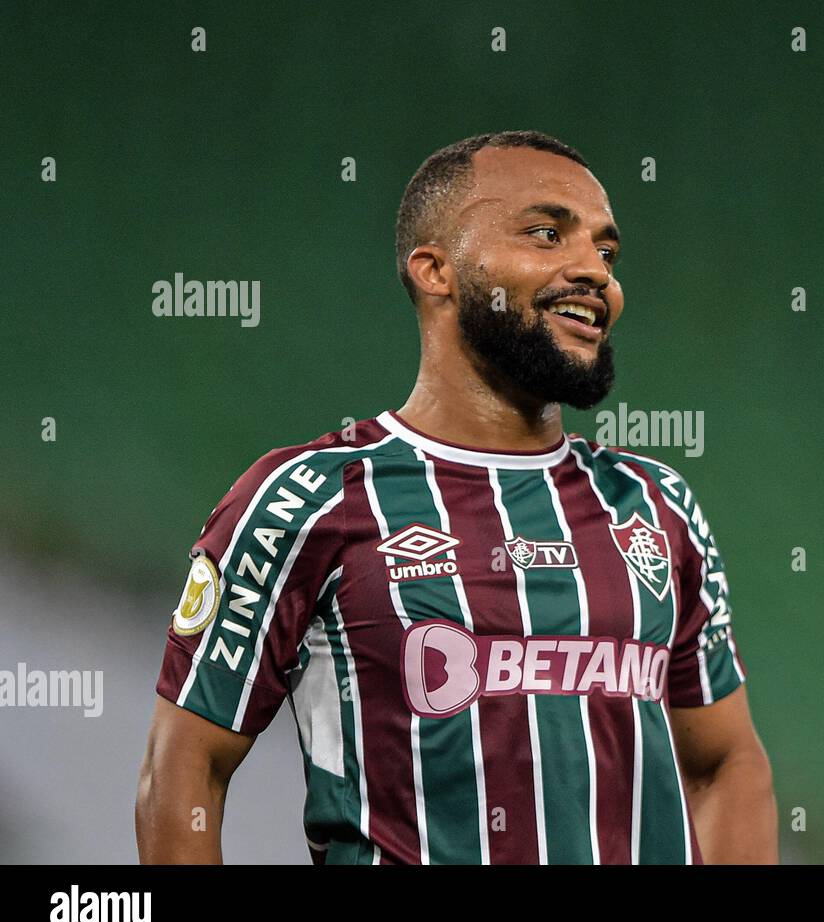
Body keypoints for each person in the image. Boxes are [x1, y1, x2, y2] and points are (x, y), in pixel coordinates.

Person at [136, 131, 776, 864]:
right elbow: (184, 767)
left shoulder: (656, 506)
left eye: (606, 253)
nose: (595, 274)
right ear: (435, 270)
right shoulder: (306, 499)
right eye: (546, 234)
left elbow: (726, 764)